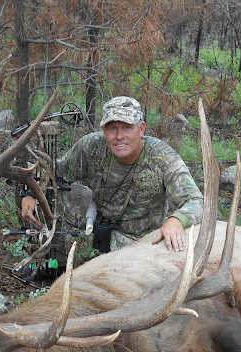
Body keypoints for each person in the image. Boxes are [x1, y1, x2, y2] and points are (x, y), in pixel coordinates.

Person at [19, 96, 203, 253]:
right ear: (104, 130)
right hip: (95, 224)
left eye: (127, 128)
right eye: (112, 128)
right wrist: (30, 193)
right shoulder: (91, 146)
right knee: (48, 193)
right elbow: (53, 172)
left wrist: (177, 220)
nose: (119, 136)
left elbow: (196, 201)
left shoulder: (163, 158)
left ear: (141, 129)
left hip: (140, 242)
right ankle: (54, 257)